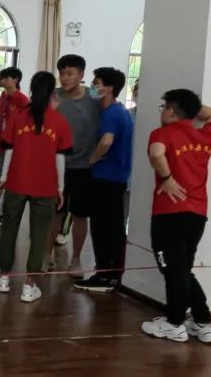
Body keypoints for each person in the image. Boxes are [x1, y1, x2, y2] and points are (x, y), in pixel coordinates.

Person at [140, 89, 211, 344]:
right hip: (197, 213)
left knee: (173, 270)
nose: (162, 111)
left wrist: (167, 178)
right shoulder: (205, 135)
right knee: (183, 270)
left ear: (172, 111)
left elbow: (156, 153)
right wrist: (191, 106)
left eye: (165, 107)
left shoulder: (162, 133)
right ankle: (202, 322)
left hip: (169, 213)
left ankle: (174, 323)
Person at [0, 71, 73, 303]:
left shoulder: (18, 116)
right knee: (39, 235)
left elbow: (8, 150)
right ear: (52, 92)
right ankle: (30, 285)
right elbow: (60, 158)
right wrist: (60, 188)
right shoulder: (59, 121)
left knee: (9, 230)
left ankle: (4, 277)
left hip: (17, 183)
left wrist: (4, 180)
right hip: (46, 187)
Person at [74, 67, 134, 292]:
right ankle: (111, 272)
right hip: (114, 178)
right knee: (113, 227)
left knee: (103, 228)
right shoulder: (119, 111)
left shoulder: (112, 113)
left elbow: (107, 141)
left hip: (106, 178)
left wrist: (93, 158)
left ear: (108, 89)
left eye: (96, 83)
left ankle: (104, 275)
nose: (92, 87)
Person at [48, 54, 101, 277]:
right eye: (61, 73)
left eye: (70, 73)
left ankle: (76, 259)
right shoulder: (54, 96)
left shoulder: (94, 96)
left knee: (80, 215)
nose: (64, 78)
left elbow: (112, 111)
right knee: (55, 212)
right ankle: (47, 254)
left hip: (85, 167)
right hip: (58, 165)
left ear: (81, 75)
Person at [0, 67, 28, 225]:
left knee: (8, 176)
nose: (1, 81)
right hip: (0, 141)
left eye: (5, 78)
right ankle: (2, 201)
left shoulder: (22, 100)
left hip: (12, 144)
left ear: (15, 80)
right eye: (0, 78)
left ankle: (2, 212)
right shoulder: (3, 96)